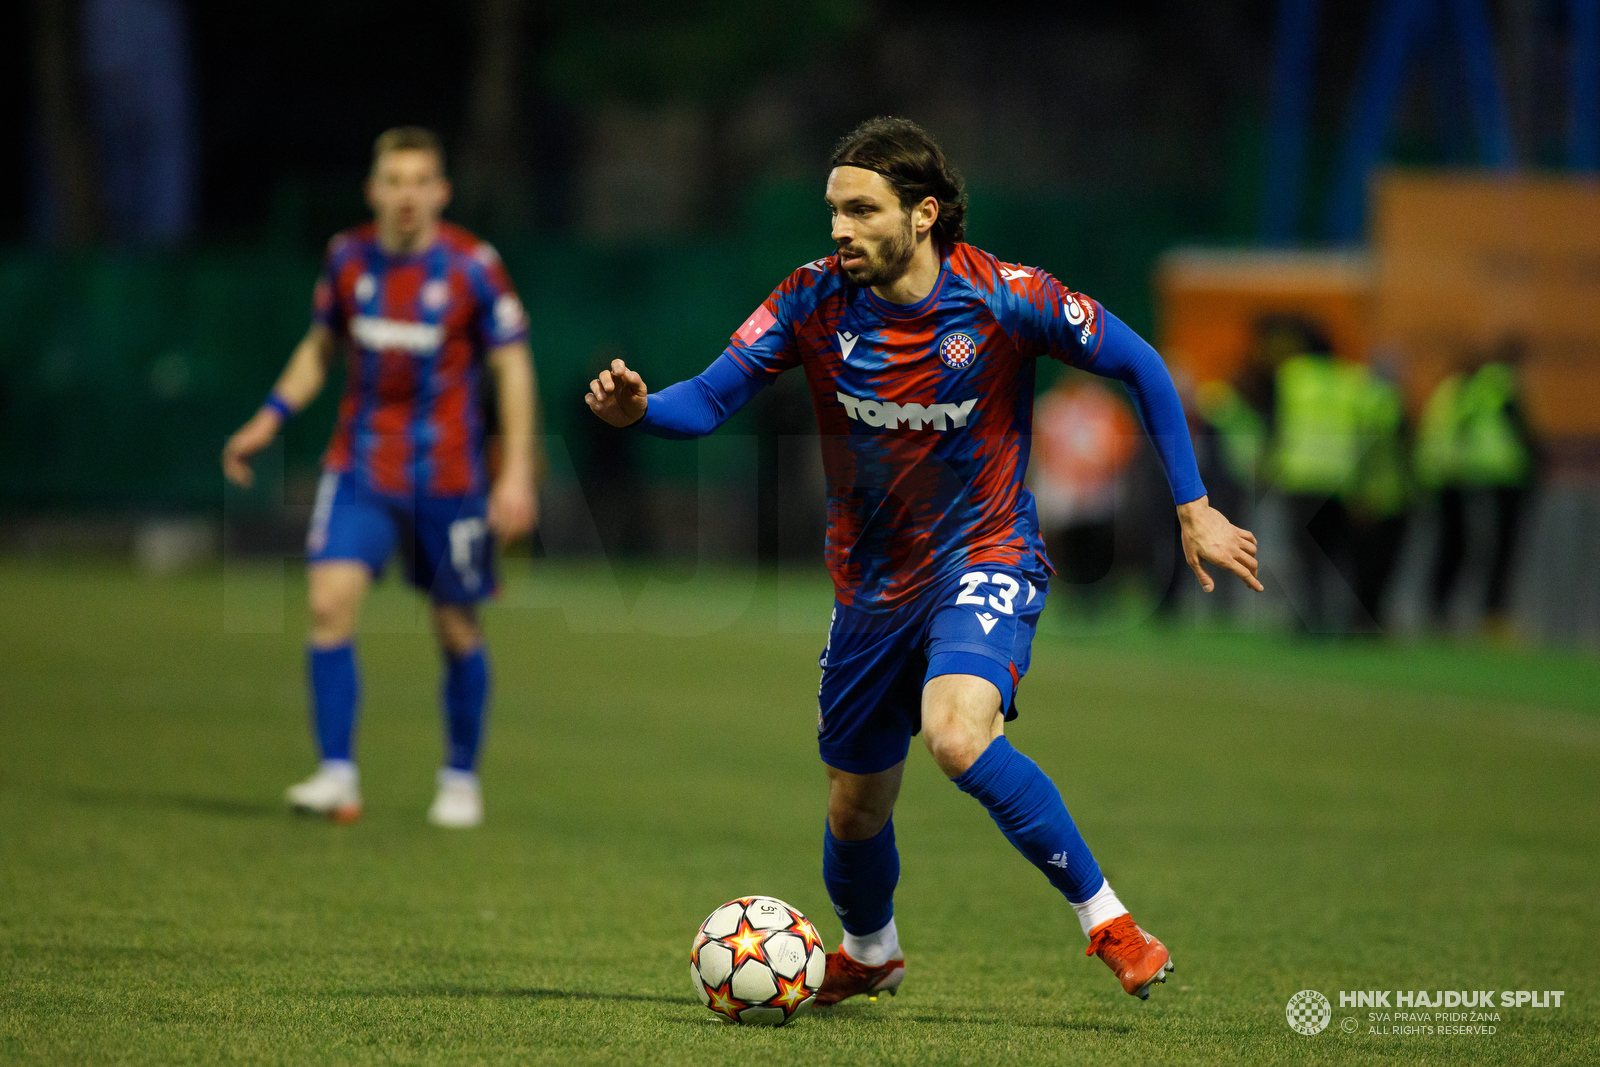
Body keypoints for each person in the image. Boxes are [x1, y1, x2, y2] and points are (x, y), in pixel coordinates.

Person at [584, 118, 1260, 1004]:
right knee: (854, 804)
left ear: (923, 213)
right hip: (868, 585)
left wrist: (1193, 504)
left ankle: (1110, 922)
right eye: (833, 210)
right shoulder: (810, 301)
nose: (839, 229)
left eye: (861, 209)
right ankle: (871, 952)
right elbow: (710, 398)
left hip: (987, 554)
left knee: (956, 733)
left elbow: (1139, 363)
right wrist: (640, 412)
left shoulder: (1007, 298)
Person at [222, 127, 538, 827]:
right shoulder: (346, 258)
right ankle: (337, 773)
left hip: (451, 479)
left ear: (441, 192)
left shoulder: (472, 267)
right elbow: (320, 345)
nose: (406, 194)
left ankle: (460, 778)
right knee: (328, 602)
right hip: (361, 468)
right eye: (393, 180)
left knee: (456, 626)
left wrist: (514, 471)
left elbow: (511, 364)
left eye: (420, 180)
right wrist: (269, 418)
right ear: (373, 190)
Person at [1417, 339, 1536, 634]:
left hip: (1454, 474)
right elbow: (1516, 429)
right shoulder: (1497, 385)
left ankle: (1442, 611)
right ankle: (1488, 614)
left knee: (1459, 545)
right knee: (1489, 548)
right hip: (1493, 474)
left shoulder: (1455, 390)